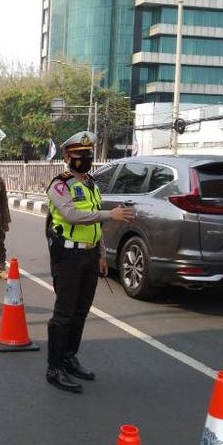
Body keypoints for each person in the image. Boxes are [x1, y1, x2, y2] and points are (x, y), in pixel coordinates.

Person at [45, 131, 135, 393]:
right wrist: (111, 214)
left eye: (88, 155)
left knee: (81, 312)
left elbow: (94, 225)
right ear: (66, 157)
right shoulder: (59, 185)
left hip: (88, 255)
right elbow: (72, 215)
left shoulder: (91, 184)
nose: (84, 159)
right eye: (79, 156)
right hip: (68, 257)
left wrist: (102, 253)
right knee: (64, 314)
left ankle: (70, 357)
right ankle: (54, 367)